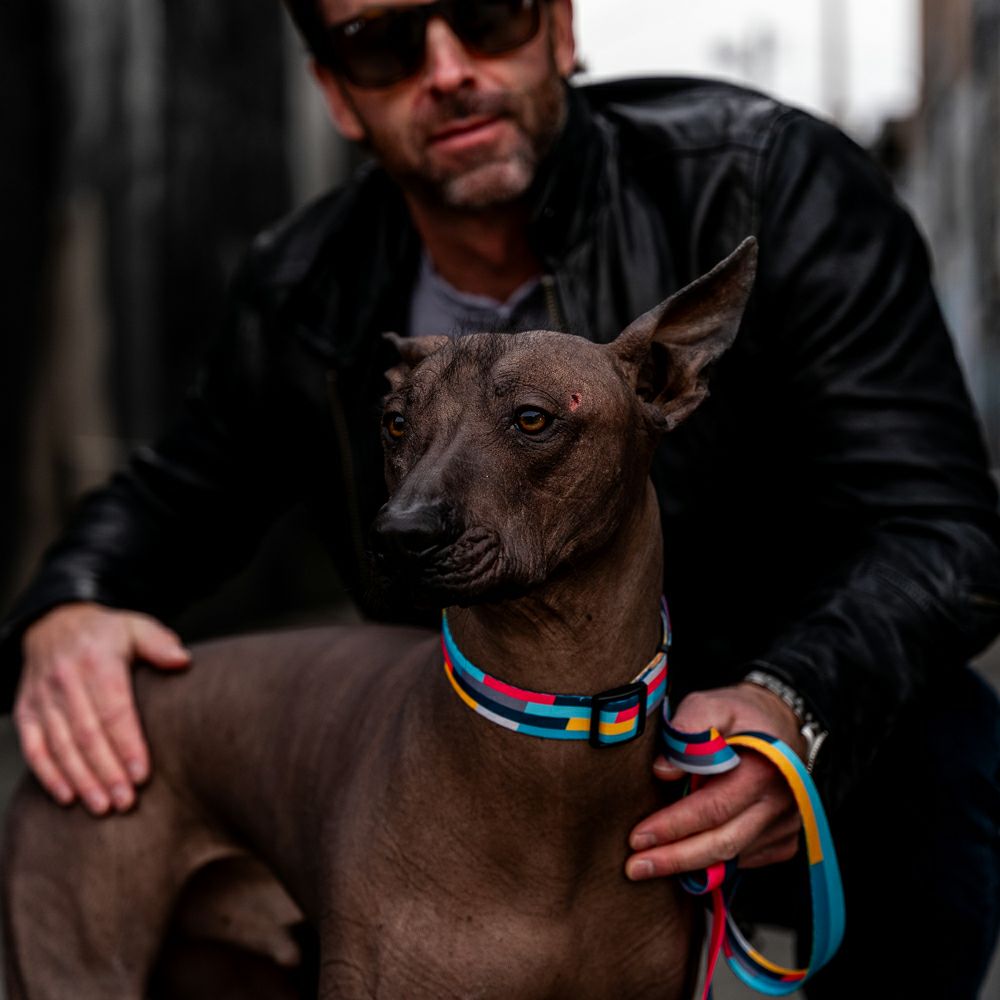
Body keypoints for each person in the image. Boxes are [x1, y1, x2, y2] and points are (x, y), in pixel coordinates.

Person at [4, 0, 1000, 994]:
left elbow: (945, 531)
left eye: (487, 15)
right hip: (473, 732)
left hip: (760, 691)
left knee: (945, 747)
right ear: (337, 95)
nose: (447, 69)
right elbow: (177, 495)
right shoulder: (305, 284)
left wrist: (798, 700)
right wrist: (69, 607)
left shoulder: (766, 186)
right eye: (383, 43)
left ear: (559, 28)